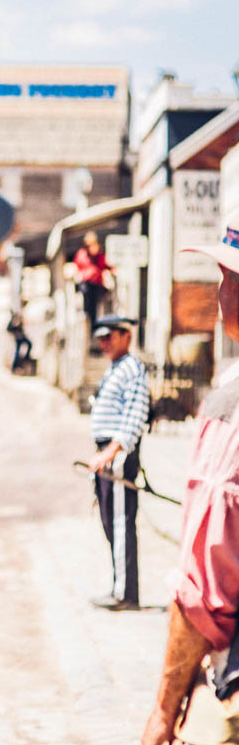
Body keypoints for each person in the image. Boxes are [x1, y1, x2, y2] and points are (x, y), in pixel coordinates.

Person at [143, 228, 239, 744]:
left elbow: (205, 591)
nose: (216, 293)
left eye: (224, 278)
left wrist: (163, 712)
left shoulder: (232, 404)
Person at [86, 313, 150, 611]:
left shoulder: (132, 369)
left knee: (121, 524)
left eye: (109, 336)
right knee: (110, 523)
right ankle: (118, 586)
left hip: (118, 456)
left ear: (126, 335)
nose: (104, 342)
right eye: (101, 337)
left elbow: (135, 416)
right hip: (106, 456)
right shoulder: (116, 368)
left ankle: (126, 594)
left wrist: (111, 451)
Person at [74, 230, 114, 330]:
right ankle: (90, 322)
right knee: (88, 306)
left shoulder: (100, 256)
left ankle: (97, 324)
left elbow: (106, 265)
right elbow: (77, 267)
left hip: (97, 284)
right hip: (86, 284)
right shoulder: (82, 254)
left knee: (99, 305)